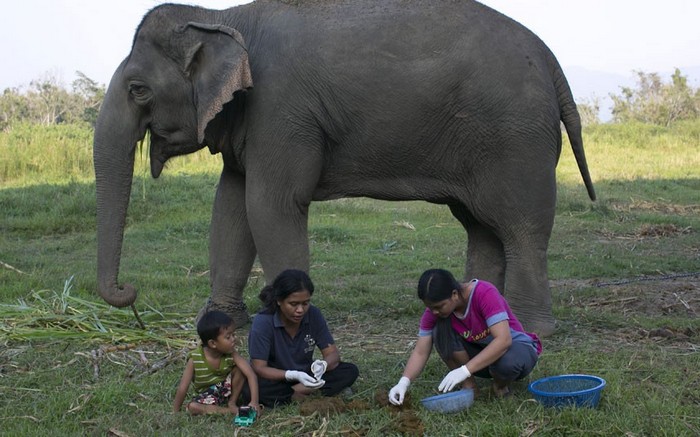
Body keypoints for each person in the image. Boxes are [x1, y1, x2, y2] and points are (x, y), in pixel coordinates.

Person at [388, 269, 541, 405]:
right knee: (439, 331)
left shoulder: (484, 293)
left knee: (508, 363)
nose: (434, 312)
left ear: (454, 294)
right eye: (430, 308)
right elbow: (421, 351)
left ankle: (500, 386)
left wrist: (465, 370)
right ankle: (470, 387)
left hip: (516, 350)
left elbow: (503, 341)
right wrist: (403, 383)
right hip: (482, 357)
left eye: (439, 306)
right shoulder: (435, 312)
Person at [245, 269, 359, 407]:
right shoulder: (263, 322)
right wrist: (291, 375)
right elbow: (260, 368)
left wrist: (323, 366)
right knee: (249, 388)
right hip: (275, 377)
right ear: (279, 301)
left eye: (305, 303)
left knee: (350, 370)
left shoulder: (313, 314)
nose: (300, 310)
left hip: (305, 374)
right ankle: (305, 393)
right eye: (293, 304)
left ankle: (292, 394)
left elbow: (332, 354)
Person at [173, 310, 260, 415]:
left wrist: (254, 402)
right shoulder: (195, 359)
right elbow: (183, 386)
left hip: (227, 391)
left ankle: (232, 403)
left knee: (240, 369)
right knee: (193, 406)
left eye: (233, 334)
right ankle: (228, 411)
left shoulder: (231, 354)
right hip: (207, 397)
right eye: (228, 337)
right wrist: (175, 411)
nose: (234, 339)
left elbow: (250, 374)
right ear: (213, 343)